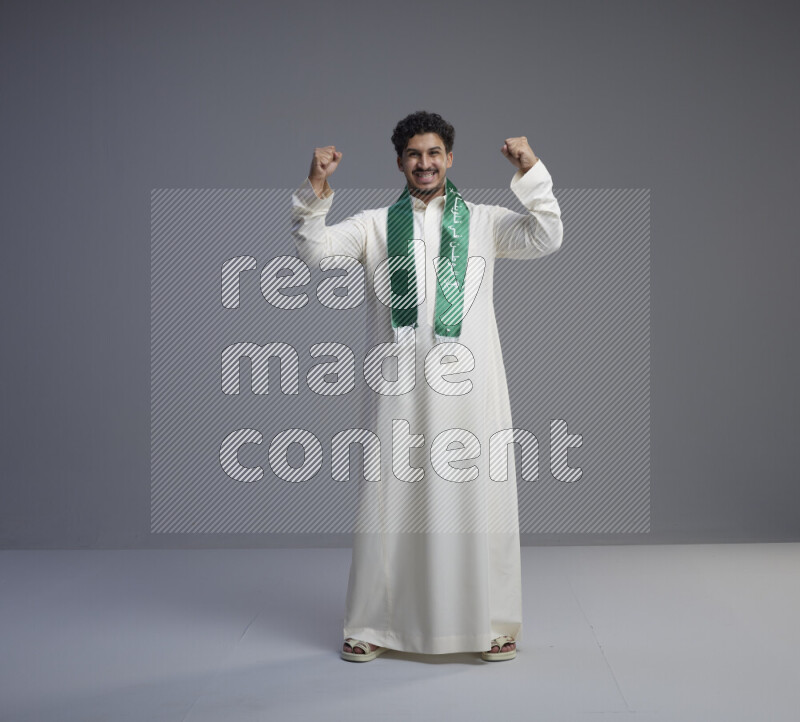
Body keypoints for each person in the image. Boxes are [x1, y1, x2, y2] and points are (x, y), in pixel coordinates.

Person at [290, 111, 563, 662]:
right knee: (389, 500)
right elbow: (313, 251)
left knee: (477, 498)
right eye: (414, 154)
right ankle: (373, 625)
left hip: (470, 387)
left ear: (450, 158)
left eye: (434, 153)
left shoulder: (484, 221)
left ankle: (489, 623)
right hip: (398, 390)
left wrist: (530, 168)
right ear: (400, 162)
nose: (425, 163)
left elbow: (546, 236)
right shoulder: (372, 226)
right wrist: (316, 187)